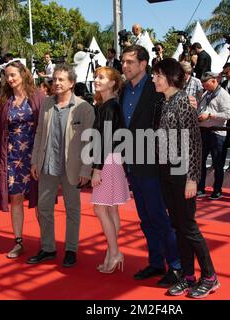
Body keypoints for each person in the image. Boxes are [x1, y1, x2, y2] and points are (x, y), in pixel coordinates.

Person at [152, 58, 220, 298]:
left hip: (182, 172)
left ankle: (210, 276)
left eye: (158, 75)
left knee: (188, 226)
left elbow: (194, 141)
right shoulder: (165, 102)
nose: (154, 79)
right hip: (167, 171)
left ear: (170, 77)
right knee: (178, 226)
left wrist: (193, 178)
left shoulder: (183, 102)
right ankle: (189, 276)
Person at [120, 45, 182, 286]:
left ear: (143, 64)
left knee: (159, 217)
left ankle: (176, 266)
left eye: (130, 62)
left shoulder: (156, 87)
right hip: (132, 162)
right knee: (145, 218)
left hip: (154, 163)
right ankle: (156, 262)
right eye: (123, 62)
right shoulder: (124, 89)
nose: (124, 66)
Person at [27, 64, 95, 268]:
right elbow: (39, 133)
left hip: (72, 168)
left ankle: (71, 250)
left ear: (71, 83)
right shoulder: (47, 103)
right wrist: (35, 161)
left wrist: (86, 169)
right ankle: (48, 248)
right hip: (47, 164)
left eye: (61, 80)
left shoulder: (84, 108)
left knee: (72, 210)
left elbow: (90, 142)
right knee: (44, 209)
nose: (56, 83)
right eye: (54, 79)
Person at [0, 60, 45, 259]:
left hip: (35, 156)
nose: (10, 79)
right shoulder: (4, 101)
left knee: (40, 200)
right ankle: (18, 241)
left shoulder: (38, 96)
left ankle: (46, 243)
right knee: (16, 199)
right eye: (7, 76)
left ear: (23, 74)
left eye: (13, 74)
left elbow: (46, 127)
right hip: (12, 157)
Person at [90, 66, 130, 273]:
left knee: (100, 208)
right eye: (96, 76)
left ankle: (114, 253)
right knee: (111, 208)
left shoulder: (109, 106)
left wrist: (97, 169)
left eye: (102, 77)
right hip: (114, 160)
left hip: (107, 161)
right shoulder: (109, 105)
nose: (97, 80)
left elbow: (104, 140)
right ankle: (111, 252)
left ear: (113, 83)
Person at [196, 71, 230, 200]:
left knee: (218, 163)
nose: (205, 87)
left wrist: (210, 115)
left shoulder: (224, 95)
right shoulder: (206, 94)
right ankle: (201, 188)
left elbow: (227, 115)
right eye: (204, 85)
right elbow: (201, 109)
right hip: (204, 131)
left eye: (207, 85)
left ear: (214, 81)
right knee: (200, 162)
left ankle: (217, 189)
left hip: (217, 133)